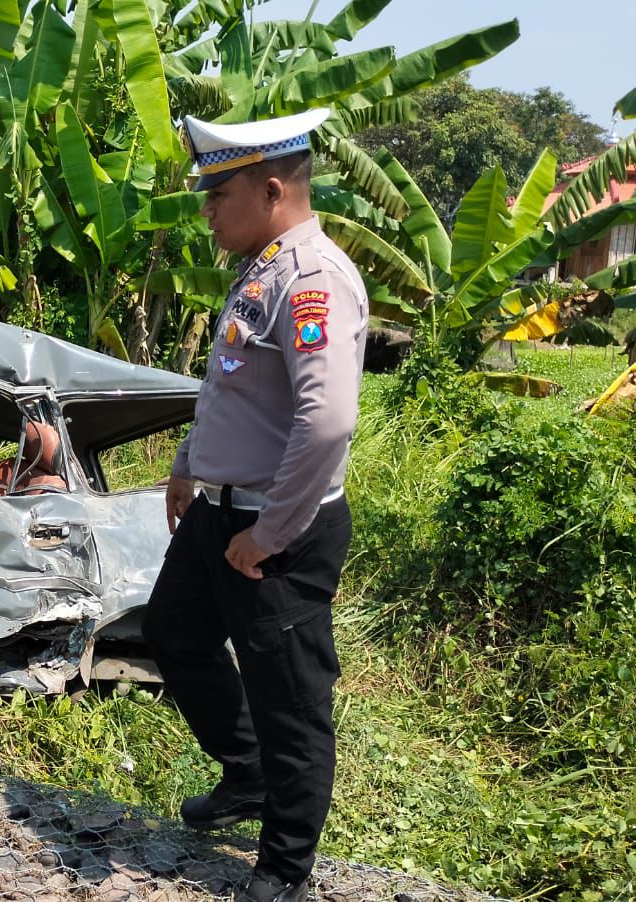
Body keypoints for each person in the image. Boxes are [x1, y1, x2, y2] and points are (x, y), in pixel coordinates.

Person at [141, 108, 367, 902]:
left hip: (278, 525)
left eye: (217, 194)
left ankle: (283, 867)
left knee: (291, 699)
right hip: (220, 509)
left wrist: (271, 532)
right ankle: (247, 774)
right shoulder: (263, 266)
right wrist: (187, 466)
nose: (206, 211)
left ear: (272, 189)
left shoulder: (312, 280)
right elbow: (235, 390)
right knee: (173, 632)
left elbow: (327, 420)